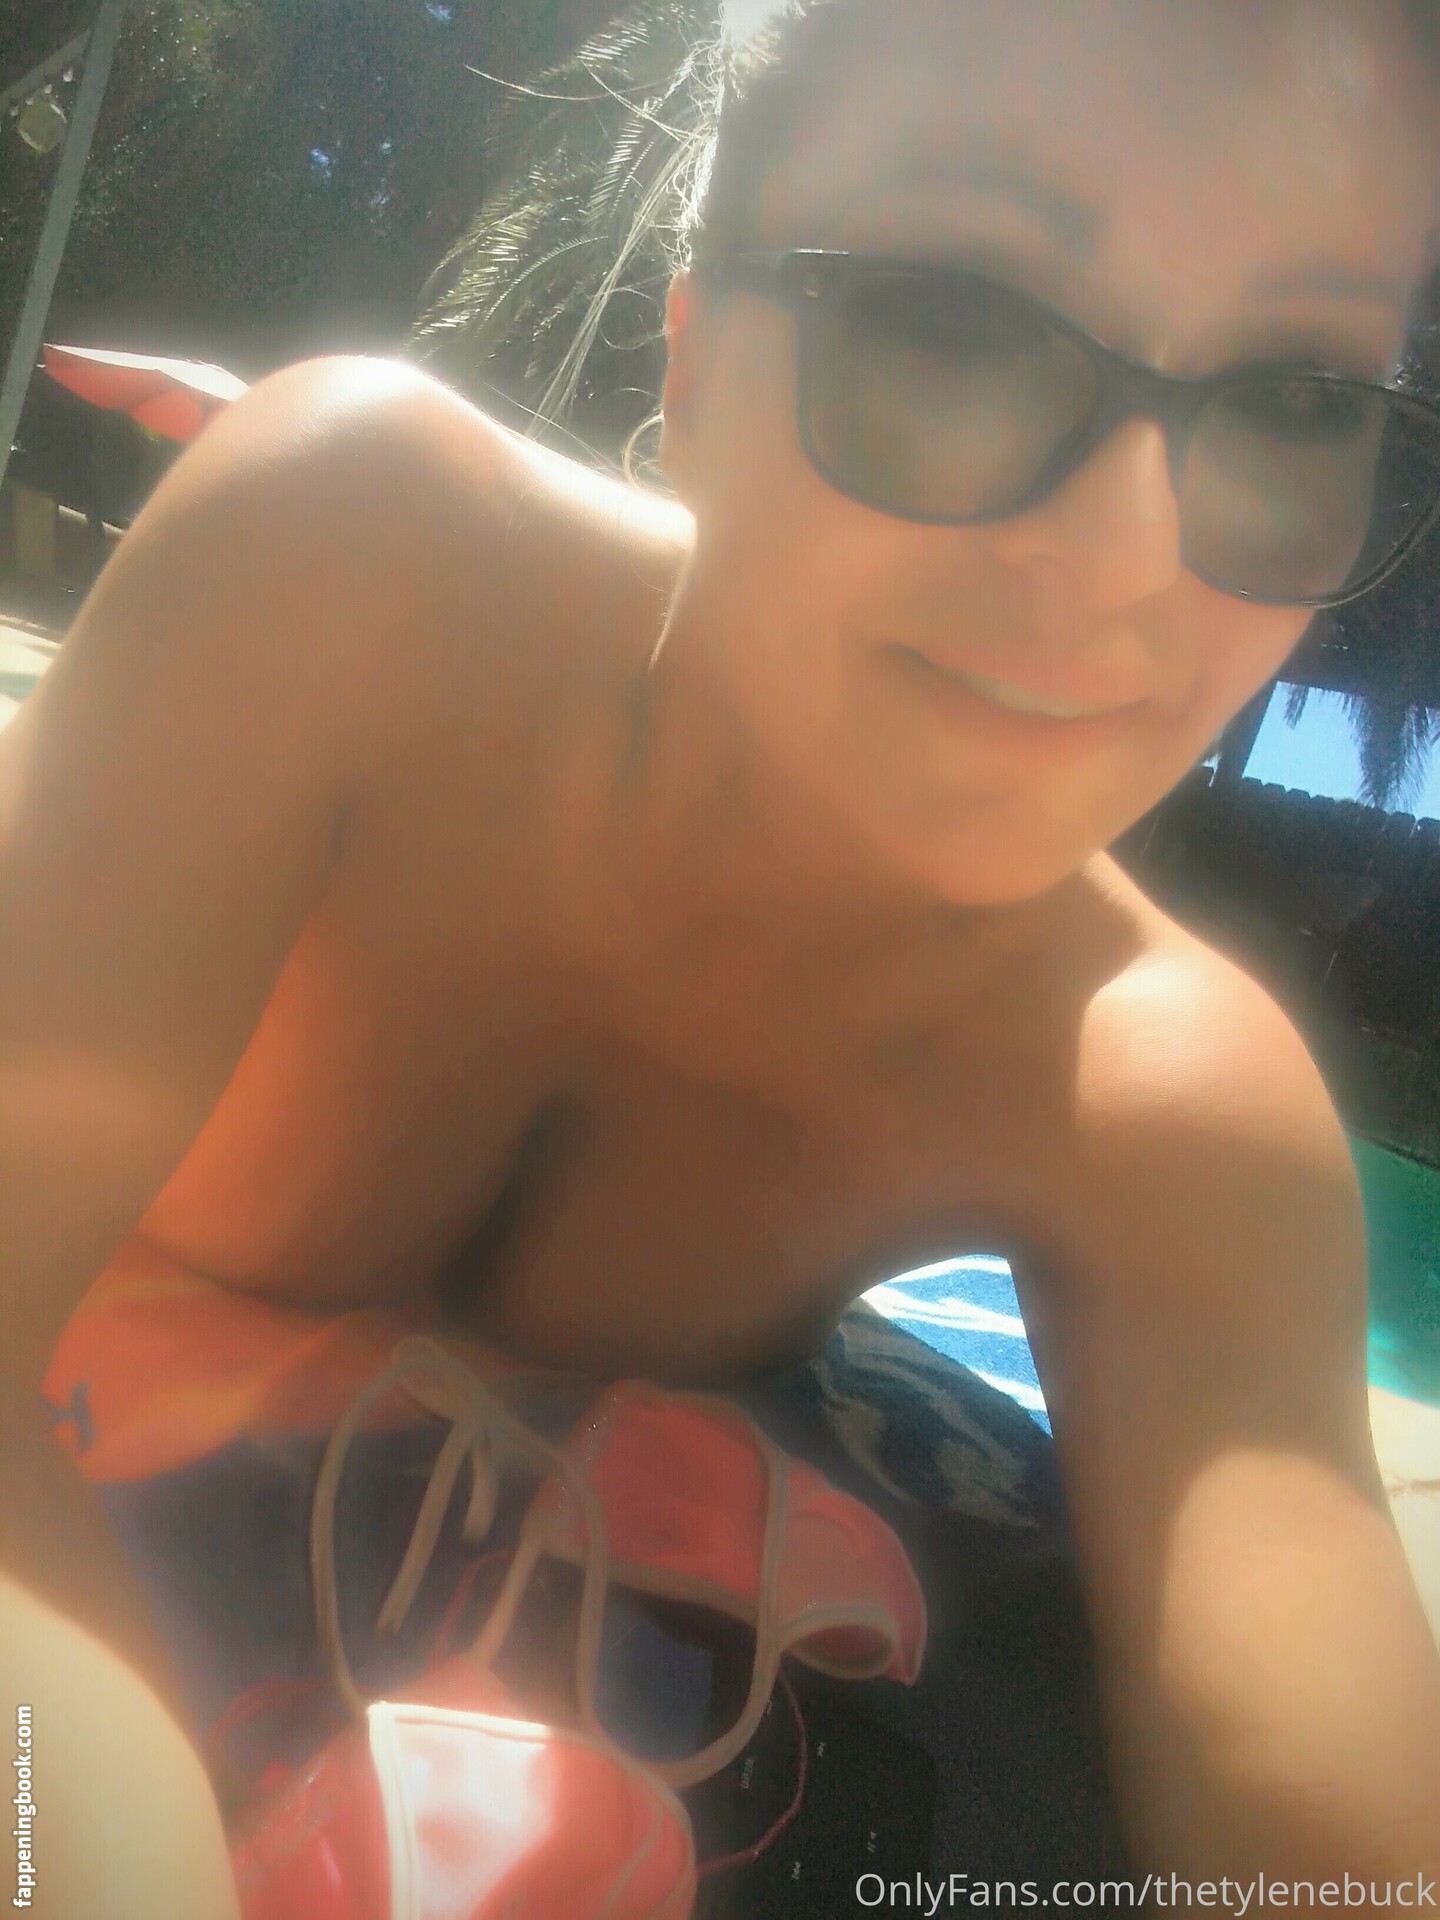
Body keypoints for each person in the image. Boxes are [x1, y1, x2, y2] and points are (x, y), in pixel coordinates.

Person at [3, 0, 1440, 1907]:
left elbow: (1334, 1849)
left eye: (1296, 401)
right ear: (687, 363)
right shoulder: (358, 565)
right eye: (950, 321)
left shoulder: (1157, 1097)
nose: (1123, 561)